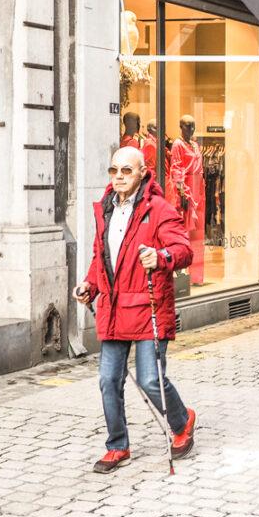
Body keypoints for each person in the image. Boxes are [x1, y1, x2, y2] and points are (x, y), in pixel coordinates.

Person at [73, 147, 197, 474]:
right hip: (114, 309)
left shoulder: (158, 209)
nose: (118, 177)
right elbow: (103, 258)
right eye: (114, 171)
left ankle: (182, 421)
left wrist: (162, 257)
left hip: (148, 305)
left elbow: (183, 250)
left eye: (126, 171)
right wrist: (90, 286)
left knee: (149, 380)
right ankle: (117, 447)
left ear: (143, 172)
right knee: (107, 380)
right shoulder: (107, 210)